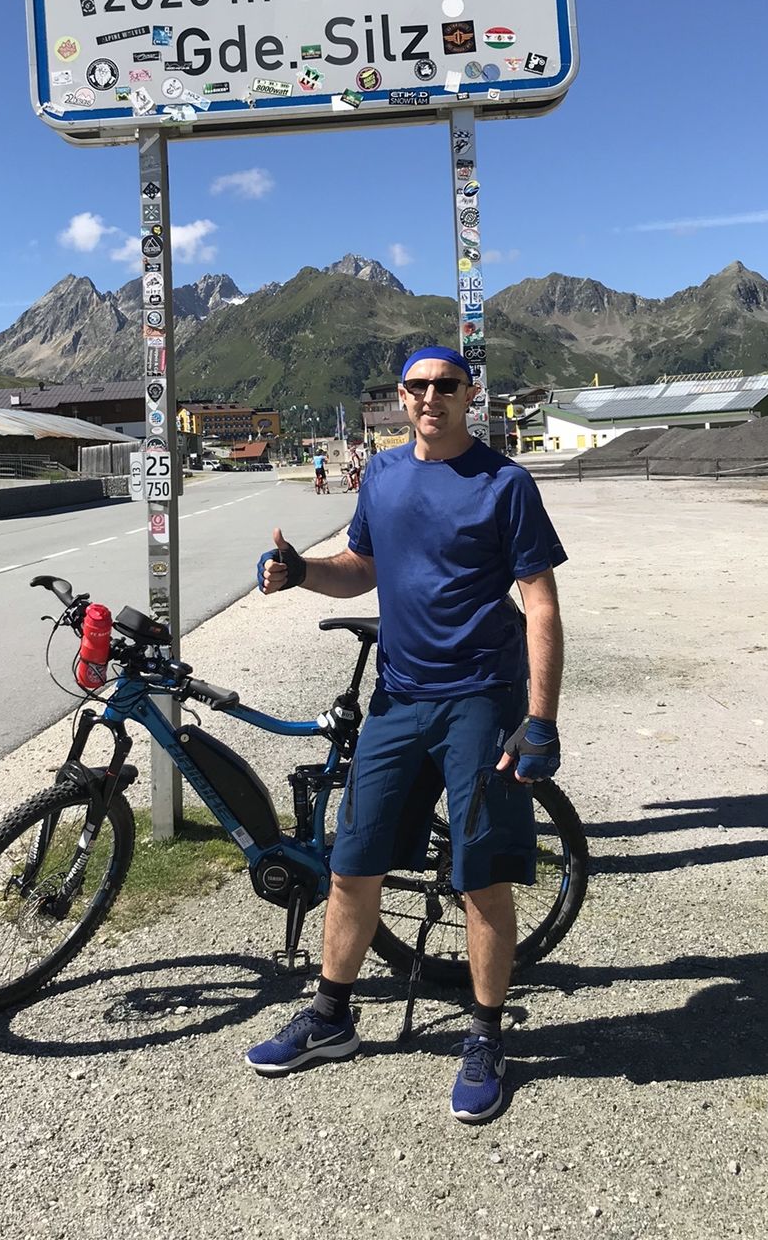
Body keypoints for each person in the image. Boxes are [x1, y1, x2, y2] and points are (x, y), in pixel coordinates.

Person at [250, 347, 566, 1124]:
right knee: (353, 862)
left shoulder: (506, 483)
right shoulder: (383, 475)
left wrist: (541, 719)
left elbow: (541, 603)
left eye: (445, 385)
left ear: (468, 395)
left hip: (481, 700)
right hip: (398, 700)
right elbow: (360, 566)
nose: (431, 397)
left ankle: (486, 1037)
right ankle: (331, 1016)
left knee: (479, 874)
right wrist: (300, 571)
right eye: (418, 386)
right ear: (402, 396)